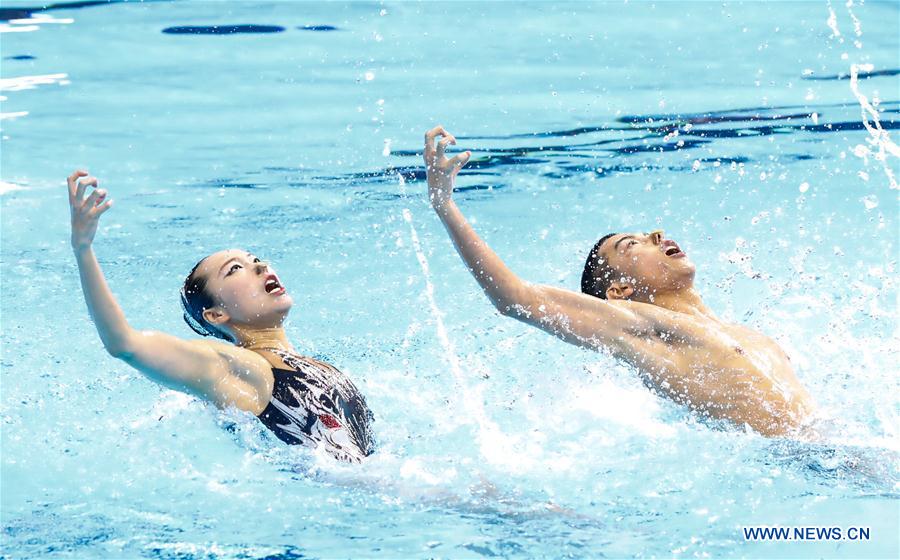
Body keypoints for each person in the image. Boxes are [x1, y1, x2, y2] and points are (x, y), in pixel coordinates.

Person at [422, 126, 816, 437]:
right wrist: (445, 205)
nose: (657, 235)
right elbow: (515, 298)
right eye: (633, 245)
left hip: (828, 450)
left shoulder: (738, 331)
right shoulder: (637, 324)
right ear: (619, 291)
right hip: (797, 462)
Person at [66, 170, 375, 462]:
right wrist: (83, 248)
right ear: (215, 315)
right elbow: (124, 344)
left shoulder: (317, 365)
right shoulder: (242, 369)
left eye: (254, 259)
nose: (261, 266)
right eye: (235, 269)